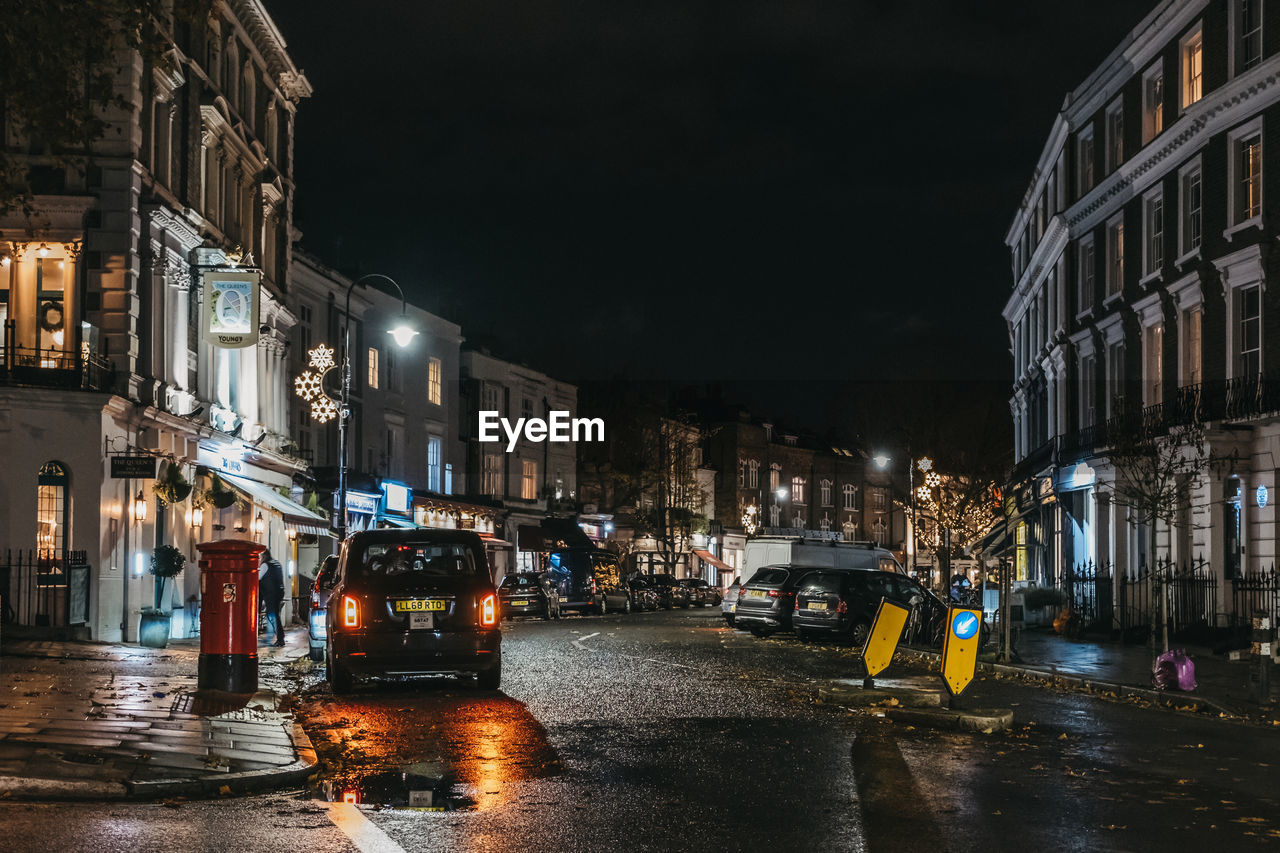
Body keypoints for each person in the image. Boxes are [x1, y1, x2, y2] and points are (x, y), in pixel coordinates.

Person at [258, 548, 286, 647]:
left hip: (270, 594)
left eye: (260, 557)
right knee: (275, 615)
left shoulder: (265, 565)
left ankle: (280, 639)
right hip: (278, 592)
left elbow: (257, 578)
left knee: (272, 616)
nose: (259, 559)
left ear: (263, 556)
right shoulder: (276, 563)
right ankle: (278, 637)